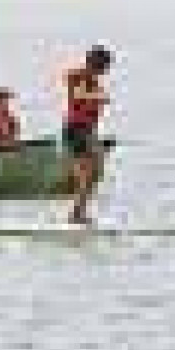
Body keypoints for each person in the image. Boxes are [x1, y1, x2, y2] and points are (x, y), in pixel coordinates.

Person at [62, 45, 112, 224]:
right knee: (88, 171)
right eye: (104, 67)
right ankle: (76, 214)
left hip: (84, 128)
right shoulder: (82, 76)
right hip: (78, 128)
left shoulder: (90, 79)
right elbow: (77, 94)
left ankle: (78, 212)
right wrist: (98, 97)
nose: (105, 71)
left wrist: (98, 96)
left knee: (91, 171)